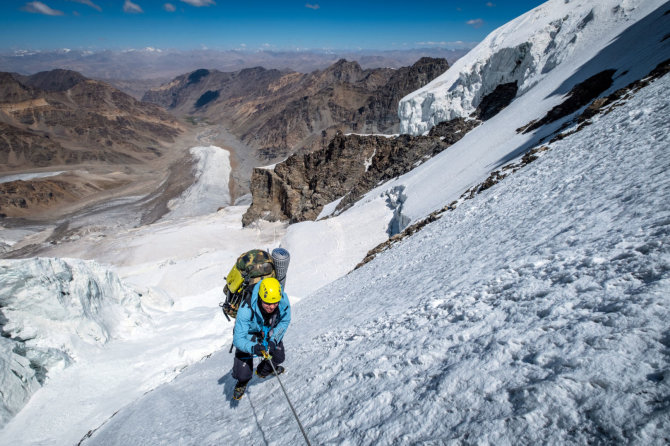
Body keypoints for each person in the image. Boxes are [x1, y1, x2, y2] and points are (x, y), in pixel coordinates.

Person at [232, 277, 291, 400]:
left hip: (268, 332)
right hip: (249, 335)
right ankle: (242, 382)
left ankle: (263, 371)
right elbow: (238, 339)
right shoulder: (246, 309)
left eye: (275, 303)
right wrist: (253, 348)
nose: (272, 307)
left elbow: (284, 321)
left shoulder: (283, 301)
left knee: (279, 357)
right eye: (267, 303)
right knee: (242, 375)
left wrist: (273, 340)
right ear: (259, 297)